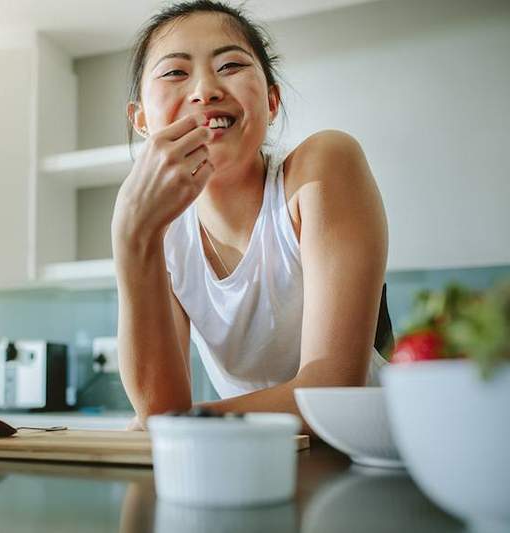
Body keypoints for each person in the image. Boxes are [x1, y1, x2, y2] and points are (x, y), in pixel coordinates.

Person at [111, 0, 394, 431]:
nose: (205, 90)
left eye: (230, 66)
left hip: (367, 458)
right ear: (141, 120)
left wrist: (179, 422)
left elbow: (333, 389)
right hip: (254, 463)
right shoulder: (163, 232)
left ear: (272, 100)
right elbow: (159, 403)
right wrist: (130, 235)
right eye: (175, 72)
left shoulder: (322, 167)